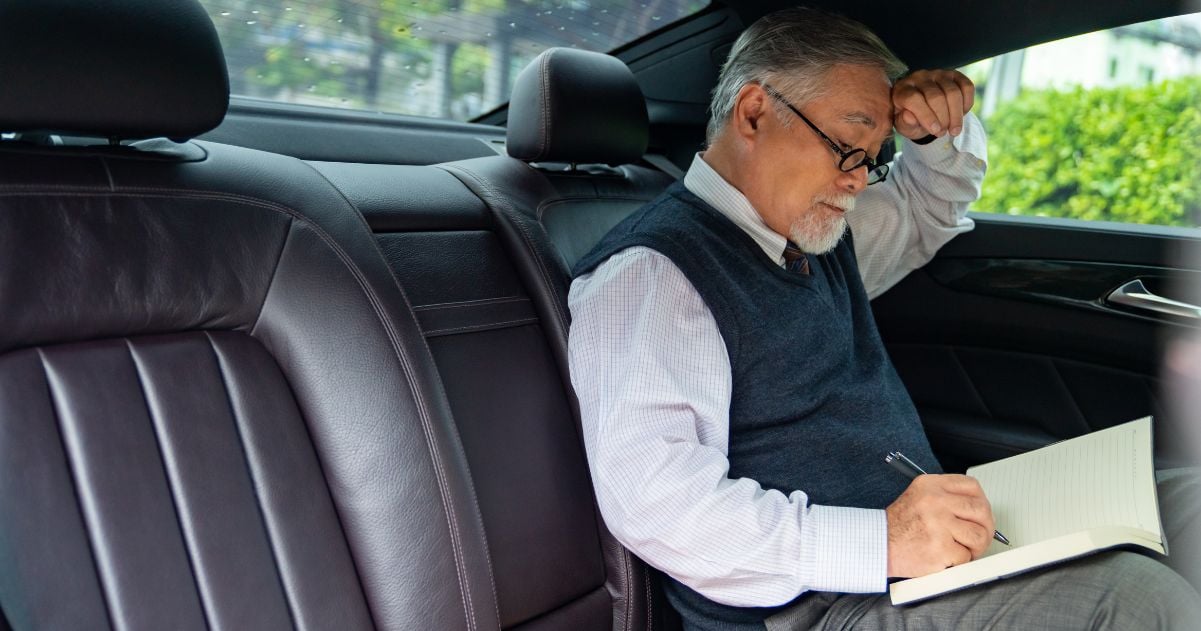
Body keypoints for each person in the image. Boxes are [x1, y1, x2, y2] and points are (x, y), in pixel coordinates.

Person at [567, 7, 1201, 630]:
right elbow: (657, 504)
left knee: (1190, 503)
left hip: (923, 549)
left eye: (873, 157)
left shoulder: (814, 230)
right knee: (1134, 601)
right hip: (816, 606)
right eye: (849, 145)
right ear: (755, 112)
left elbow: (928, 205)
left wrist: (932, 133)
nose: (859, 181)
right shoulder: (652, 276)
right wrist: (882, 542)